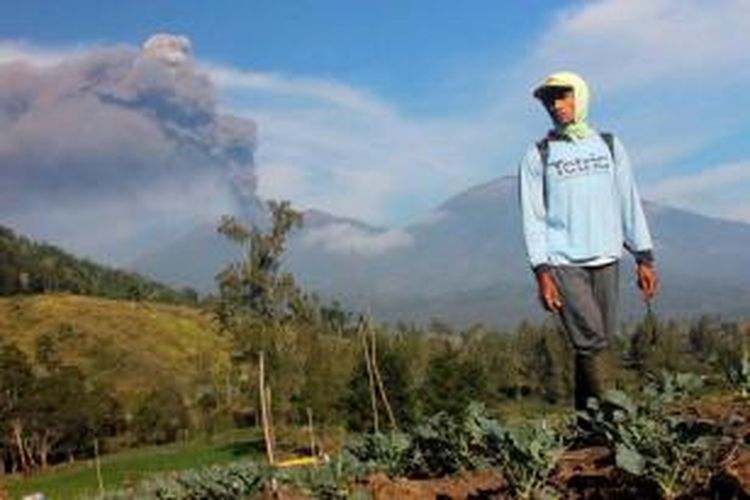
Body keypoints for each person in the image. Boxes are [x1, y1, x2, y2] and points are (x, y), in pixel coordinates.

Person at [518, 71, 658, 412]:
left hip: (607, 257)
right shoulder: (539, 155)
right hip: (564, 262)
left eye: (564, 96)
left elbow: (628, 199)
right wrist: (542, 271)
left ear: (581, 96)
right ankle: (618, 421)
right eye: (550, 100)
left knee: (597, 343)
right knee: (592, 339)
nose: (557, 105)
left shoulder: (609, 145)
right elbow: (532, 216)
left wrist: (644, 256)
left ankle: (587, 424)